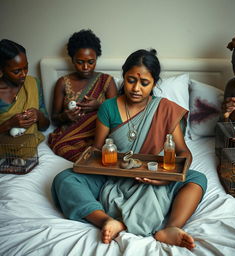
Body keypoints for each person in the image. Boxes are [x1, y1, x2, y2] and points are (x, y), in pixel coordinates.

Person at [51, 49, 207, 250]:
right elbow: (97, 149)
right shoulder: (108, 107)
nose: (136, 88)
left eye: (144, 83)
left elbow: (184, 152)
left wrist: (164, 177)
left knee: (197, 179)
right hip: (114, 174)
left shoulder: (165, 108)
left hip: (153, 174)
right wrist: (90, 161)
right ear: (124, 77)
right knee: (64, 179)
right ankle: (106, 221)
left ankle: (171, 228)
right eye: (131, 80)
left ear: (154, 84)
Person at [48, 29, 117, 162]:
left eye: (91, 62)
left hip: (98, 134)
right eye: (80, 62)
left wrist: (99, 106)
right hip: (70, 136)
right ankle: (88, 162)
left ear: (96, 59)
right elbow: (54, 119)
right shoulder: (63, 83)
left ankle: (90, 160)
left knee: (109, 147)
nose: (85, 67)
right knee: (60, 145)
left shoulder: (106, 81)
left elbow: (116, 114)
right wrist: (64, 116)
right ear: (72, 60)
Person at [0, 39, 49, 146]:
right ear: (2, 69)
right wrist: (9, 124)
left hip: (29, 147)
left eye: (26, 67)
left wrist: (38, 115)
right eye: (16, 71)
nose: (23, 74)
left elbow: (45, 126)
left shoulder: (33, 83)